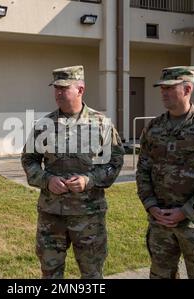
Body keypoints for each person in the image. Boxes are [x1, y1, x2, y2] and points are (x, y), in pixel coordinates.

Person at [21, 65, 125, 279]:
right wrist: (46, 180)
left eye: (64, 88)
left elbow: (114, 163)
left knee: (92, 274)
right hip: (52, 216)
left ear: (80, 89)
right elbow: (29, 160)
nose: (58, 93)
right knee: (50, 273)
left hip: (88, 217)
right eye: (56, 88)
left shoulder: (101, 124)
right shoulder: (43, 125)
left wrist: (90, 180)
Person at [136, 66, 194, 279]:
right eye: (162, 88)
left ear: (187, 89)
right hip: (160, 223)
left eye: (169, 88)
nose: (164, 92)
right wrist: (151, 205)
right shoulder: (153, 128)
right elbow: (143, 170)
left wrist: (185, 212)